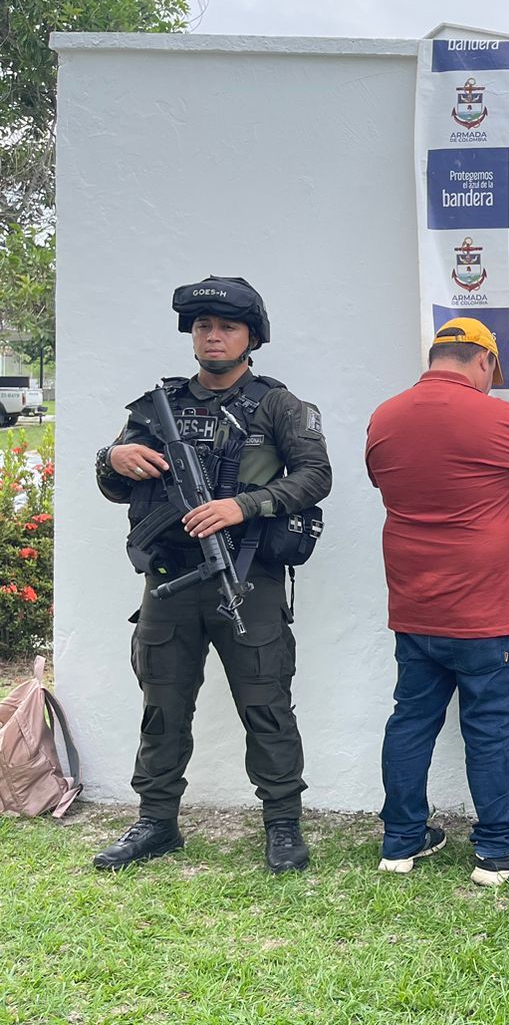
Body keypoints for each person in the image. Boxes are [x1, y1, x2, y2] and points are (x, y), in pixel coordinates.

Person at [92, 276, 332, 874]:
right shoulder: (156, 408)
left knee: (267, 704)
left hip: (247, 578)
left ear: (252, 337)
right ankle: (155, 822)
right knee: (162, 704)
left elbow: (315, 476)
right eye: (203, 326)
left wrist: (243, 506)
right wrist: (111, 458)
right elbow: (111, 484)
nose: (213, 335)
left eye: (226, 326)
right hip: (168, 580)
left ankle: (281, 824)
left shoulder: (279, 405)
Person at [365, 318, 509, 886]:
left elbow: (387, 485)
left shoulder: (385, 417)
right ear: (485, 362)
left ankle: (401, 841)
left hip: (415, 605)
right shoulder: (500, 418)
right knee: (490, 730)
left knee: (410, 719)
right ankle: (497, 848)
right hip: (487, 609)